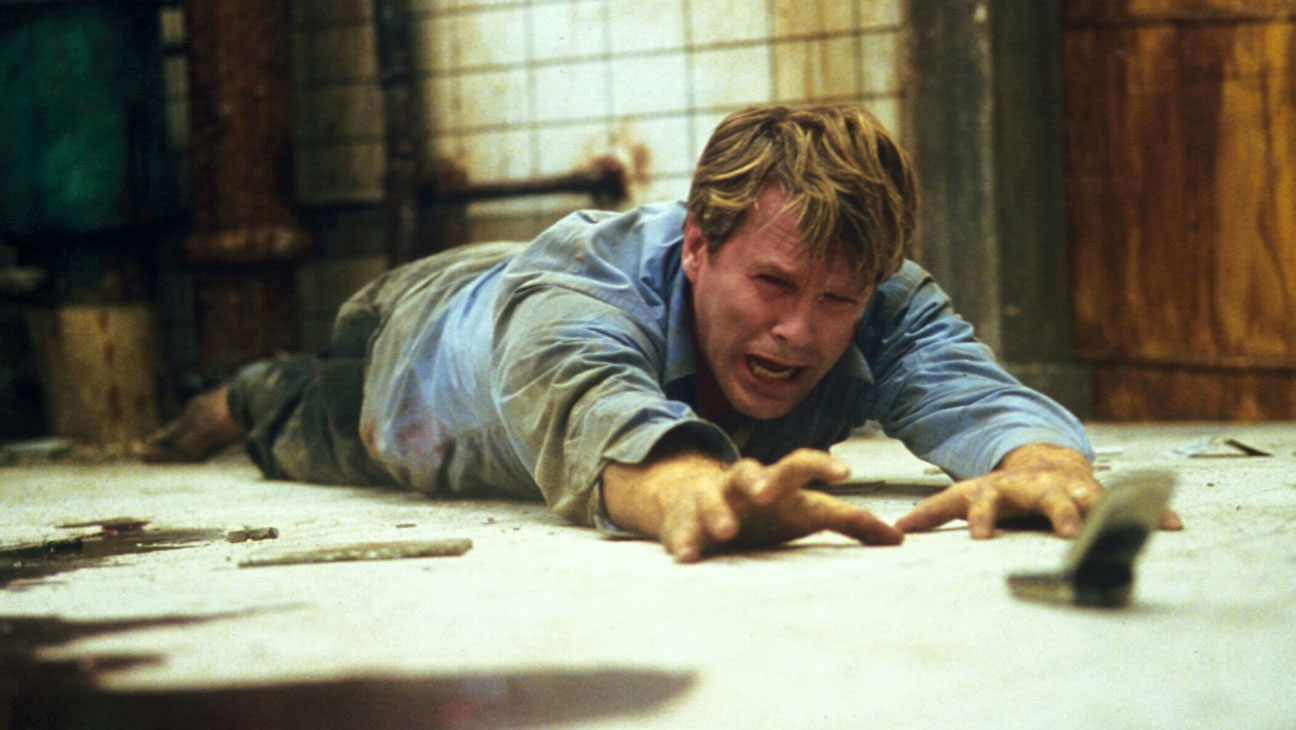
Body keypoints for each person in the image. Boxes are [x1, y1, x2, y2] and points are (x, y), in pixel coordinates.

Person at [143, 104, 1179, 562]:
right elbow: (606, 423)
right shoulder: (577, 298)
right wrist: (696, 493)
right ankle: (236, 393)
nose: (799, 330)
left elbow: (972, 388)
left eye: (837, 298)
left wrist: (1043, 467)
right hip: (413, 342)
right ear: (697, 246)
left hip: (523, 291)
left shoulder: (876, 294)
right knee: (300, 414)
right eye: (771, 283)